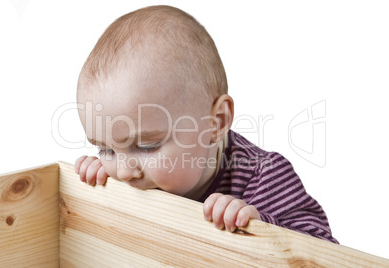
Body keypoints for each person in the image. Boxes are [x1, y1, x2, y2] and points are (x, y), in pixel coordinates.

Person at [75, 5, 338, 243]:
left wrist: (261, 228)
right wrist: (97, 183)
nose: (123, 172)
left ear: (216, 123)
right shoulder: (123, 173)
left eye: (146, 145)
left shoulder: (263, 176)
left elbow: (324, 249)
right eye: (106, 149)